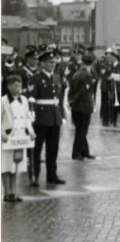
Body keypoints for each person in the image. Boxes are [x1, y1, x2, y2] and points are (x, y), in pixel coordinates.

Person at [30, 50, 66, 186]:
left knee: (53, 149)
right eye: (50, 62)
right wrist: (31, 115)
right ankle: (34, 176)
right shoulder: (36, 78)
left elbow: (60, 98)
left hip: (55, 117)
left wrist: (62, 114)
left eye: (54, 62)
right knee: (36, 149)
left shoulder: (57, 77)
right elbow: (31, 98)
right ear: (42, 63)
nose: (52, 65)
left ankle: (52, 175)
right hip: (40, 118)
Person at [1, 75, 34, 202]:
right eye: (15, 86)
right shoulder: (3, 101)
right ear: (9, 87)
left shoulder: (24, 100)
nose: (19, 88)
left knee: (16, 165)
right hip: (8, 138)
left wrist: (30, 132)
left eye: (20, 86)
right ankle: (7, 192)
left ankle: (14, 192)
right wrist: (2, 134)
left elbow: (27, 119)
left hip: (20, 138)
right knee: (5, 165)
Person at [68, 54, 97, 161]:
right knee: (82, 131)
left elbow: (72, 90)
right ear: (92, 63)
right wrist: (75, 100)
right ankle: (76, 153)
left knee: (80, 130)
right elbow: (83, 92)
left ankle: (84, 151)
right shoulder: (87, 75)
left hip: (77, 106)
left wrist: (71, 101)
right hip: (83, 106)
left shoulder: (77, 73)